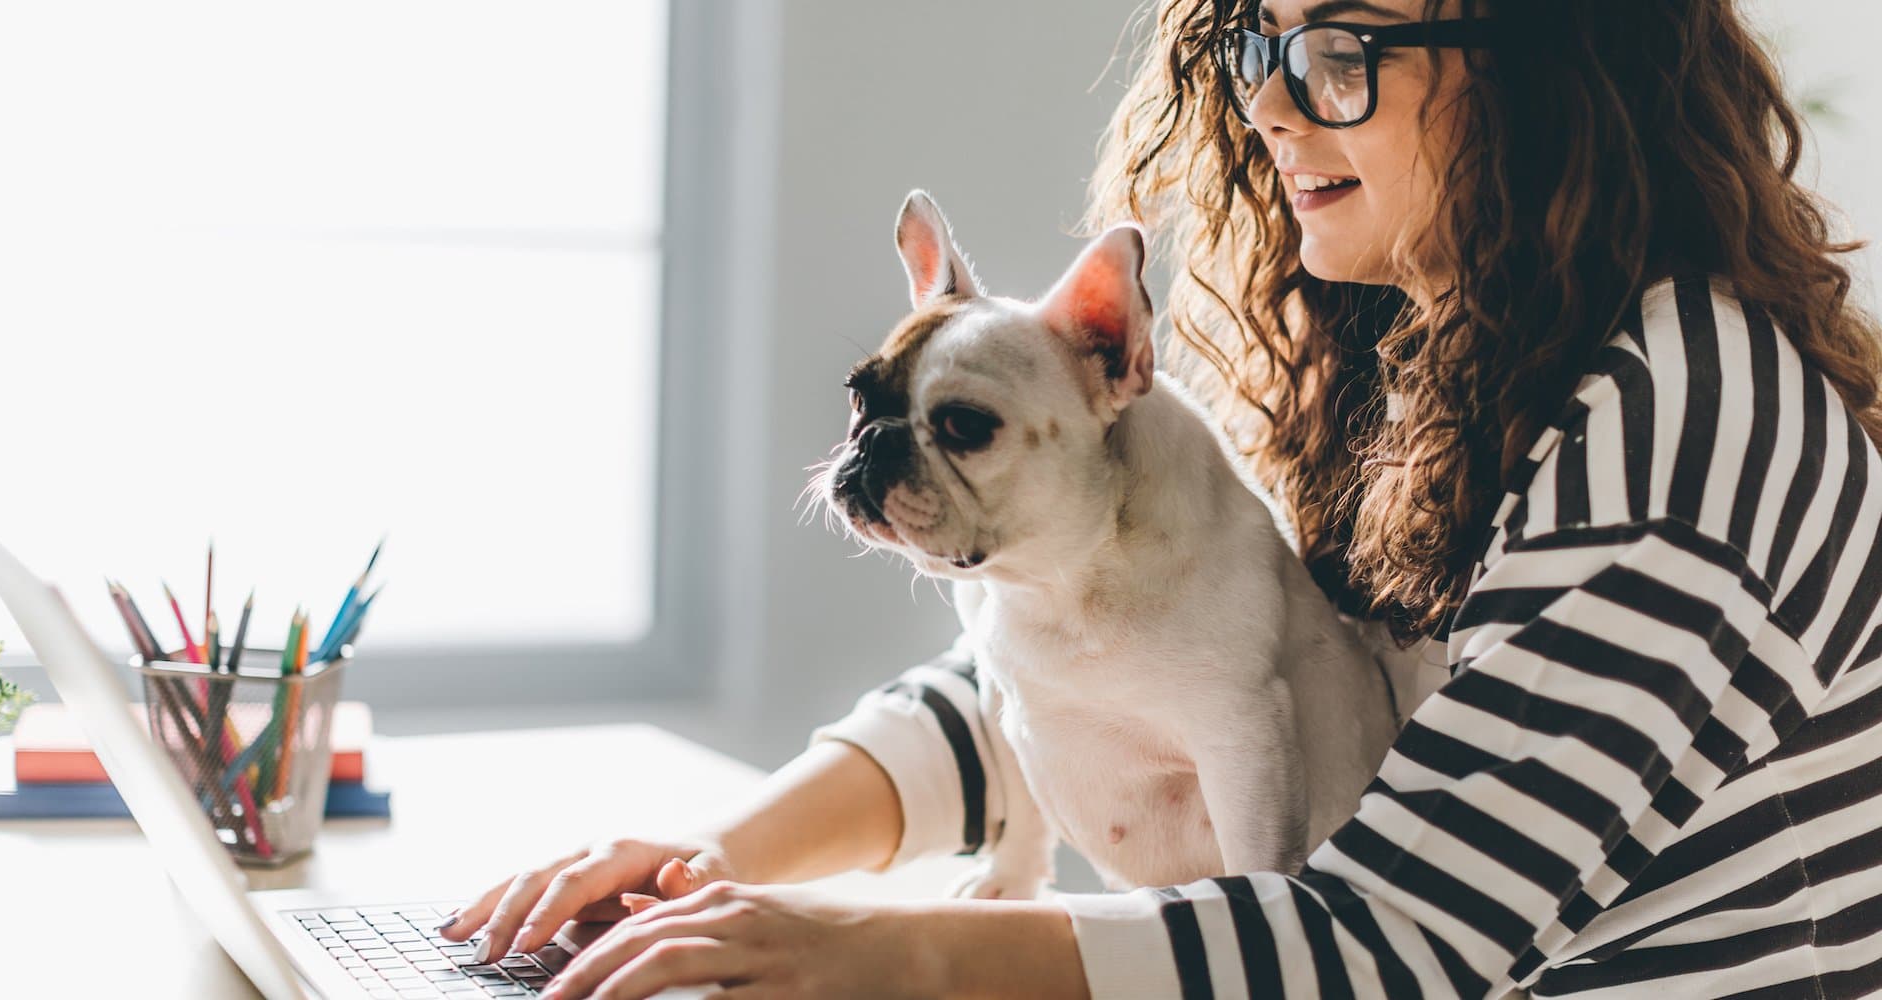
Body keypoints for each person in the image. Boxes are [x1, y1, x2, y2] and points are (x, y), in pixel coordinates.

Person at [441, 0, 1882, 996]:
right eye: (1259, 38)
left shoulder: (1676, 425)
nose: (1266, 101)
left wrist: (870, 952)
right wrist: (715, 869)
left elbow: (1398, 947)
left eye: (1335, 50)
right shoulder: (1431, 352)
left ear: (1544, 57)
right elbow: (1078, 678)